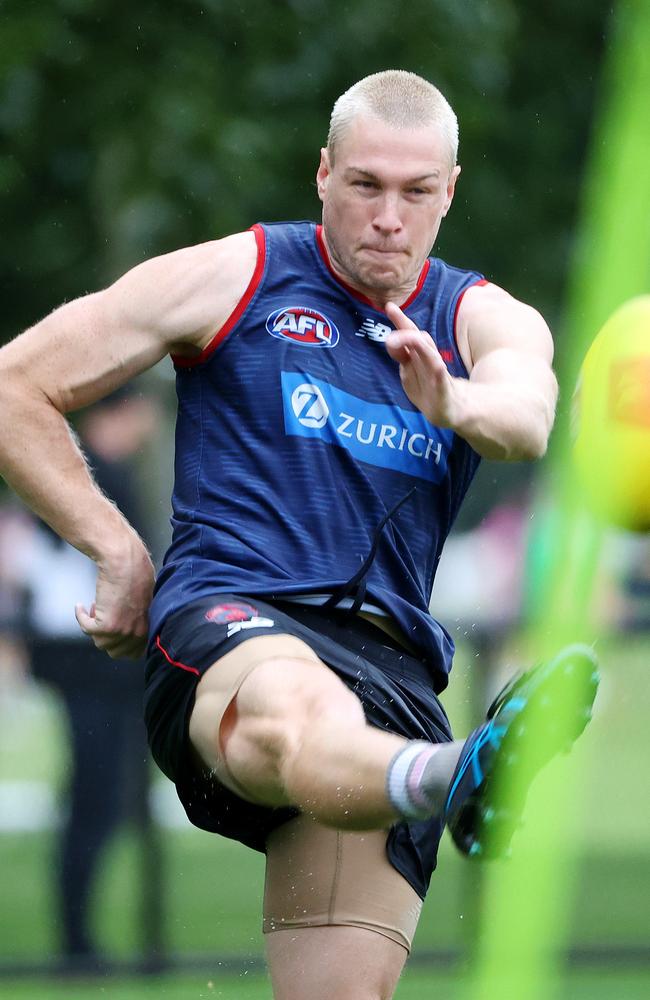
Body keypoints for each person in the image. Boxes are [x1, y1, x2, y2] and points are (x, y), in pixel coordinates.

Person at [0, 70, 598, 999]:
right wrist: (115, 548)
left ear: (451, 191)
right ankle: (456, 775)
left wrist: (455, 399)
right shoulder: (237, 275)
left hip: (390, 666)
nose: (388, 218)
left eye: (416, 192)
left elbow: (527, 418)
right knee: (297, 707)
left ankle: (437, 771)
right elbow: (13, 385)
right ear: (322, 174)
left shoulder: (481, 316)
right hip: (236, 621)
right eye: (364, 185)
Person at [1, 390, 160, 966]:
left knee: (98, 802)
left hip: (86, 665)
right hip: (94, 666)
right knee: (95, 802)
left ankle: (82, 937)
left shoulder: (78, 477)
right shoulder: (101, 478)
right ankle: (78, 941)